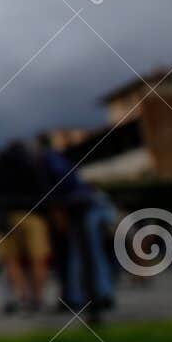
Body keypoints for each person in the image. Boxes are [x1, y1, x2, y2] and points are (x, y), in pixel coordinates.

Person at [36, 135, 113, 324]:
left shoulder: (47, 161)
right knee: (90, 252)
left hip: (78, 208)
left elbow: (59, 187)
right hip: (85, 205)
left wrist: (58, 212)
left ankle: (81, 297)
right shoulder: (57, 158)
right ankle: (100, 294)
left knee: (81, 254)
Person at [0, 140, 51, 312]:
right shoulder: (33, 162)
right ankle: (38, 299)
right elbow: (44, 190)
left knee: (11, 261)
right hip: (33, 215)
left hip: (6, 216)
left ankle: (23, 298)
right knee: (38, 260)